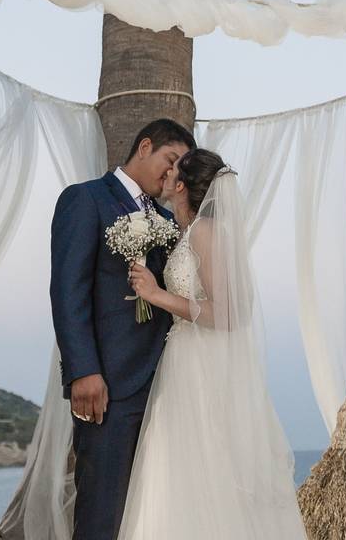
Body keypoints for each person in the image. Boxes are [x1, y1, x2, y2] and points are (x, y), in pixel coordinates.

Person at [121, 148, 308, 539]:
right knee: (181, 472)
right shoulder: (188, 233)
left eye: (172, 171)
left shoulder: (206, 232)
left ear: (182, 185)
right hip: (184, 360)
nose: (166, 176)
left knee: (206, 467)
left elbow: (228, 313)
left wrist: (158, 296)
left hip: (201, 363)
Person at [49, 118, 195, 540]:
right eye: (170, 160)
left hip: (167, 385)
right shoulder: (86, 199)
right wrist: (83, 371)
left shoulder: (169, 219)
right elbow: (67, 291)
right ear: (144, 146)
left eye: (181, 169)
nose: (172, 174)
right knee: (103, 513)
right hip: (110, 385)